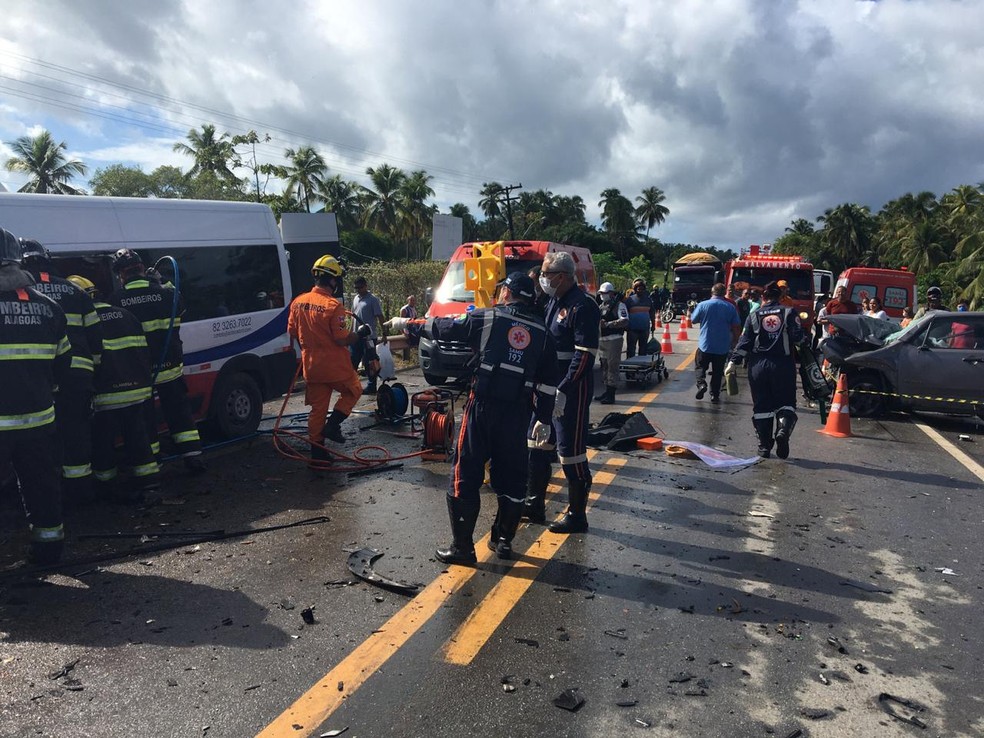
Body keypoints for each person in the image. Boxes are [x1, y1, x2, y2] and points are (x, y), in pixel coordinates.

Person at [387, 272, 557, 564]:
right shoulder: (543, 332)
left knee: (465, 471)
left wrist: (408, 325)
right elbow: (549, 380)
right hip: (518, 414)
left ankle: (463, 548)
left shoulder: (489, 318)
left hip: (483, 407)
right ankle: (502, 541)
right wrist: (543, 417)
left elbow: (445, 327)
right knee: (513, 477)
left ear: (507, 293)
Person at [0, 227, 71, 563]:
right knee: (41, 486)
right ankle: (49, 548)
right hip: (40, 421)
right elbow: (63, 363)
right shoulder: (50, 308)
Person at [20, 238, 102, 506]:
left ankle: (51, 498)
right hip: (78, 376)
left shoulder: (22, 292)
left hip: (39, 379)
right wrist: (94, 368)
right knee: (77, 433)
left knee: (41, 440)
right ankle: (81, 494)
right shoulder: (73, 289)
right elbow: (95, 334)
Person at [109, 248, 205, 473]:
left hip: (140, 373)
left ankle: (153, 462)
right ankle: (193, 458)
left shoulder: (116, 300)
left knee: (146, 420)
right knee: (180, 415)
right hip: (170, 367)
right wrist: (161, 282)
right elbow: (180, 307)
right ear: (142, 268)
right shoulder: (165, 293)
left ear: (121, 274)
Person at [525, 251, 600, 534]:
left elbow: (584, 356)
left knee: (571, 453)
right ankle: (534, 503)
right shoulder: (553, 302)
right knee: (537, 443)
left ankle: (577, 515)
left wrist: (563, 390)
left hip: (571, 392)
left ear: (561, 276)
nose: (542, 278)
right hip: (546, 388)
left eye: (546, 274)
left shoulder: (583, 306)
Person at [67, 275, 160, 502]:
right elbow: (144, 353)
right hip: (136, 391)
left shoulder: (84, 323)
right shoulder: (126, 315)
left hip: (105, 395)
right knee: (138, 437)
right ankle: (149, 480)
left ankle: (107, 484)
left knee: (103, 443)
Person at [288, 256, 371, 465]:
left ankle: (318, 452)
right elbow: (342, 339)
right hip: (336, 368)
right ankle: (333, 425)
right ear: (332, 280)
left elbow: (292, 331)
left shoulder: (298, 302)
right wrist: (360, 334)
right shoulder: (333, 306)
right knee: (354, 390)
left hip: (311, 367)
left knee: (318, 410)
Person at [727, 281, 806, 459]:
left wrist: (733, 362)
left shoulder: (754, 315)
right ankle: (783, 431)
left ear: (763, 297)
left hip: (758, 367)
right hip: (782, 365)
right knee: (786, 403)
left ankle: (764, 447)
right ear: (780, 297)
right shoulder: (788, 312)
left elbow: (744, 341)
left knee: (761, 406)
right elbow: (799, 338)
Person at [690, 283, 741, 403]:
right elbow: (736, 326)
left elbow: (693, 320)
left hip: (705, 344)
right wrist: (735, 341)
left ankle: (701, 384)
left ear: (712, 292)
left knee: (700, 367)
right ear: (724, 293)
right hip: (722, 346)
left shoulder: (703, 305)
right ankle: (715, 395)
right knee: (718, 372)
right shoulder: (730, 307)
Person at [350, 275, 387, 394]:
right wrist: (350, 333)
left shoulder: (372, 300)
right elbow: (352, 317)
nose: (358, 290)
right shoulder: (356, 298)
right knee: (352, 361)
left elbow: (380, 317)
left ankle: (372, 386)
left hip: (369, 338)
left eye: (360, 287)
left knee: (369, 363)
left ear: (365, 286)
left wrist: (384, 333)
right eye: (356, 288)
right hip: (356, 336)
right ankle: (351, 385)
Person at [595, 282, 628, 404]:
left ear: (611, 293)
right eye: (601, 293)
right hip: (602, 339)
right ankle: (606, 391)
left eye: (605, 293)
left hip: (614, 339)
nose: (602, 295)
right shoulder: (600, 306)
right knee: (604, 367)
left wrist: (608, 324)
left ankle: (611, 394)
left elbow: (624, 321)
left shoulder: (619, 305)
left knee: (612, 367)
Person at [623, 278, 653, 358]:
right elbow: (624, 313)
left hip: (645, 329)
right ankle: (630, 366)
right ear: (635, 289)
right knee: (631, 349)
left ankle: (641, 367)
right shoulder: (629, 300)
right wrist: (625, 325)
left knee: (643, 349)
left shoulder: (648, 300)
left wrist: (653, 325)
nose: (640, 291)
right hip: (632, 329)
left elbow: (652, 313)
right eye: (639, 289)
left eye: (642, 289)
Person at [398, 294, 418, 360]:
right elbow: (401, 322)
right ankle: (406, 359)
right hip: (407, 331)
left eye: (414, 300)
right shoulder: (404, 309)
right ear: (408, 301)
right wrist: (403, 333)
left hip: (414, 329)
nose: (413, 302)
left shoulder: (414, 308)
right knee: (408, 344)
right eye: (411, 300)